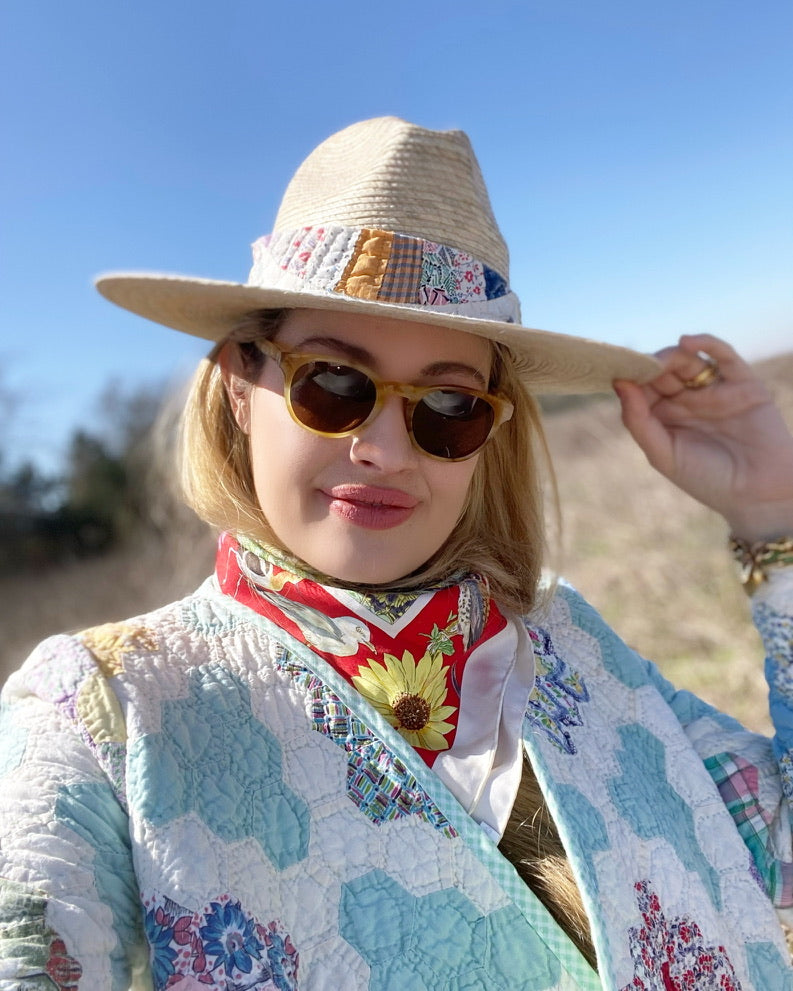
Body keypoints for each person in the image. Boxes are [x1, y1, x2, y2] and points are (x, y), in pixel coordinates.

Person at [1, 116, 792, 991]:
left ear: (489, 428)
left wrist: (772, 513)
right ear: (239, 384)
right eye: (332, 383)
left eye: (446, 405)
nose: (384, 447)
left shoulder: (568, 641)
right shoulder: (100, 714)